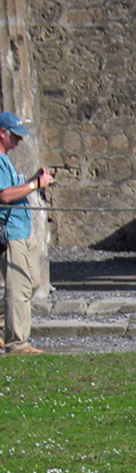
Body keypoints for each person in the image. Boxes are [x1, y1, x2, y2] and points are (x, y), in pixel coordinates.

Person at [0, 112, 53, 356]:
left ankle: (2, 325)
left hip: (23, 230)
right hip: (11, 234)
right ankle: (17, 344)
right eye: (16, 136)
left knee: (32, 283)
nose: (20, 142)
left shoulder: (6, 159)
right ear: (2, 133)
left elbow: (12, 190)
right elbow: (4, 196)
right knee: (18, 289)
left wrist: (33, 179)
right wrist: (34, 186)